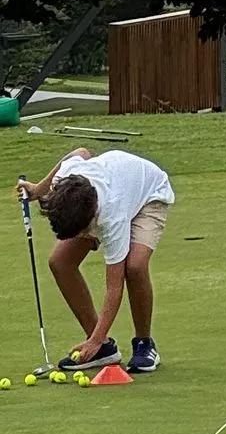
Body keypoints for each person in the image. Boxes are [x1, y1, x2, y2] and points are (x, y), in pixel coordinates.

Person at [18, 147, 174, 373]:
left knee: (135, 266)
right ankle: (102, 348)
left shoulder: (112, 217)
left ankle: (144, 344)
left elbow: (114, 286)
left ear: (91, 220)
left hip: (149, 195)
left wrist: (97, 336)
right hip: (110, 188)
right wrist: (38, 189)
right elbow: (81, 152)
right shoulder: (65, 179)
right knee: (60, 262)